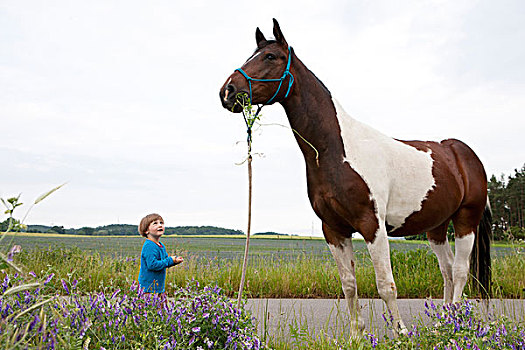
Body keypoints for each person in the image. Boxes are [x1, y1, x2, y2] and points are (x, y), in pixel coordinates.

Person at [137, 213, 183, 294]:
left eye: (161, 223)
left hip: (158, 288)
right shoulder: (149, 246)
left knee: (161, 306)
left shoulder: (160, 245)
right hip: (148, 289)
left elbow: (164, 262)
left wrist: (174, 261)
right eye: (155, 223)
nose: (160, 225)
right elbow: (152, 265)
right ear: (146, 230)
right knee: (150, 306)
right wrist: (170, 260)